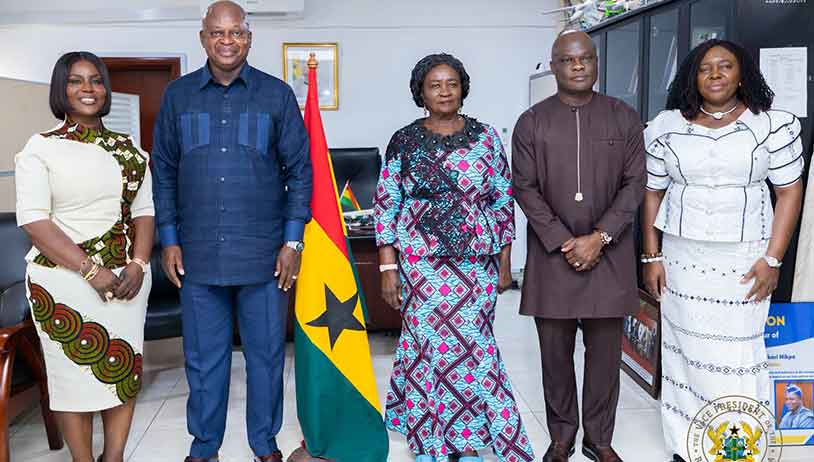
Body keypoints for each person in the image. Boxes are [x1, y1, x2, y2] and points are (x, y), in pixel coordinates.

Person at [151, 2, 312, 461]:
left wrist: (292, 241)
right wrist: (169, 239)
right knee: (204, 361)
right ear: (203, 37)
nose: (227, 40)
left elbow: (300, 172)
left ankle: (264, 444)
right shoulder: (178, 95)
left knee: (266, 358)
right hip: (197, 256)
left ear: (249, 38)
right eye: (218, 32)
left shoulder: (276, 95)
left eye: (236, 32)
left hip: (265, 257)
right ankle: (204, 447)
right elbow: (163, 171)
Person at [641, 39, 804, 462]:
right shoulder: (665, 126)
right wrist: (651, 255)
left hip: (745, 257)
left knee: (738, 353)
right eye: (705, 68)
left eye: (725, 66)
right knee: (685, 352)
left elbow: (789, 192)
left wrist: (773, 259)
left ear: (742, 73)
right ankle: (688, 445)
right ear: (691, 77)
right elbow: (652, 192)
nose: (715, 74)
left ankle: (739, 450)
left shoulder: (772, 125)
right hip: (682, 258)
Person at [374, 53, 534, 462]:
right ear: (421, 93)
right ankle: (430, 441)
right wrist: (388, 268)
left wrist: (504, 264)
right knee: (428, 350)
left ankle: (467, 441)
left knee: (474, 349)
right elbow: (387, 205)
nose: (444, 91)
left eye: (452, 83)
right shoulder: (404, 141)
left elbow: (502, 202)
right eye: (435, 85)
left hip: (475, 266)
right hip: (422, 266)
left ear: (463, 88)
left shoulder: (486, 138)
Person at [511, 30, 645, 462]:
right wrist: (565, 241)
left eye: (585, 58)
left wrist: (599, 238)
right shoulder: (532, 122)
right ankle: (562, 437)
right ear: (554, 67)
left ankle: (599, 439)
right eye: (568, 60)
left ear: (596, 63)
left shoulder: (624, 117)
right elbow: (525, 188)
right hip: (553, 258)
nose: (578, 66)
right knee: (555, 355)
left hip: (610, 254)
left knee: (605, 357)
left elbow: (635, 184)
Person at [15, 51, 154, 462]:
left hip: (126, 282)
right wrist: (91, 270)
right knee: (72, 383)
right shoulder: (41, 148)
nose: (88, 89)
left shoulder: (130, 149)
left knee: (123, 373)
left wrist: (139, 264)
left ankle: (114, 458)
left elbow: (144, 211)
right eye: (75, 81)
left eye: (95, 80)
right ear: (61, 90)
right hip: (64, 281)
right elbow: (34, 221)